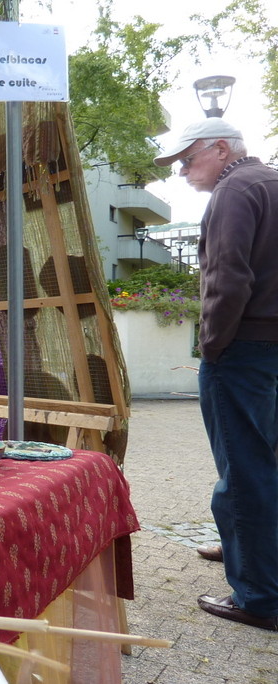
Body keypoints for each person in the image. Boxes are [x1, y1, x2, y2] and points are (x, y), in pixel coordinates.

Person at [153, 117, 278, 631]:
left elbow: (228, 279)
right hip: (268, 345)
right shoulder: (270, 183)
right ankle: (244, 554)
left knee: (245, 469)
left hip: (243, 350)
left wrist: (213, 347)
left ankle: (258, 596)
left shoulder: (234, 191)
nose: (182, 171)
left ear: (222, 149)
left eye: (188, 160)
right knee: (263, 459)